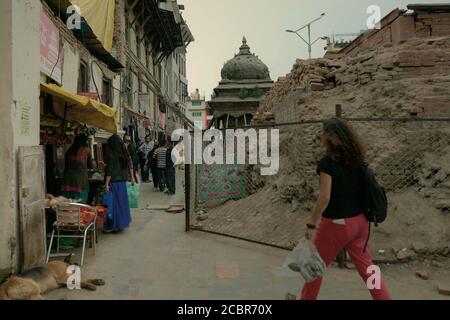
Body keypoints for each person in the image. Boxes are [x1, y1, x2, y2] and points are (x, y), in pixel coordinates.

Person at [295, 117, 392, 300]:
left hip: (336, 224)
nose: (320, 135)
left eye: (323, 132)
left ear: (330, 137)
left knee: (314, 269)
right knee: (368, 270)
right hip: (361, 223)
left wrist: (311, 224)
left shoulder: (327, 163)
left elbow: (324, 197)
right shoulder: (357, 159)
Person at [104, 134, 134, 233]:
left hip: (114, 182)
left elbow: (110, 170)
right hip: (122, 182)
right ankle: (121, 224)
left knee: (113, 205)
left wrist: (106, 184)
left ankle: (113, 225)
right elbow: (130, 165)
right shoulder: (124, 152)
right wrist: (132, 177)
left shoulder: (112, 154)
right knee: (122, 204)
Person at [61, 133, 93, 204]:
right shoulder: (86, 150)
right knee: (79, 207)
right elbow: (90, 165)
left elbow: (66, 165)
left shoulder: (69, 151)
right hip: (80, 182)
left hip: (67, 181)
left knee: (67, 206)